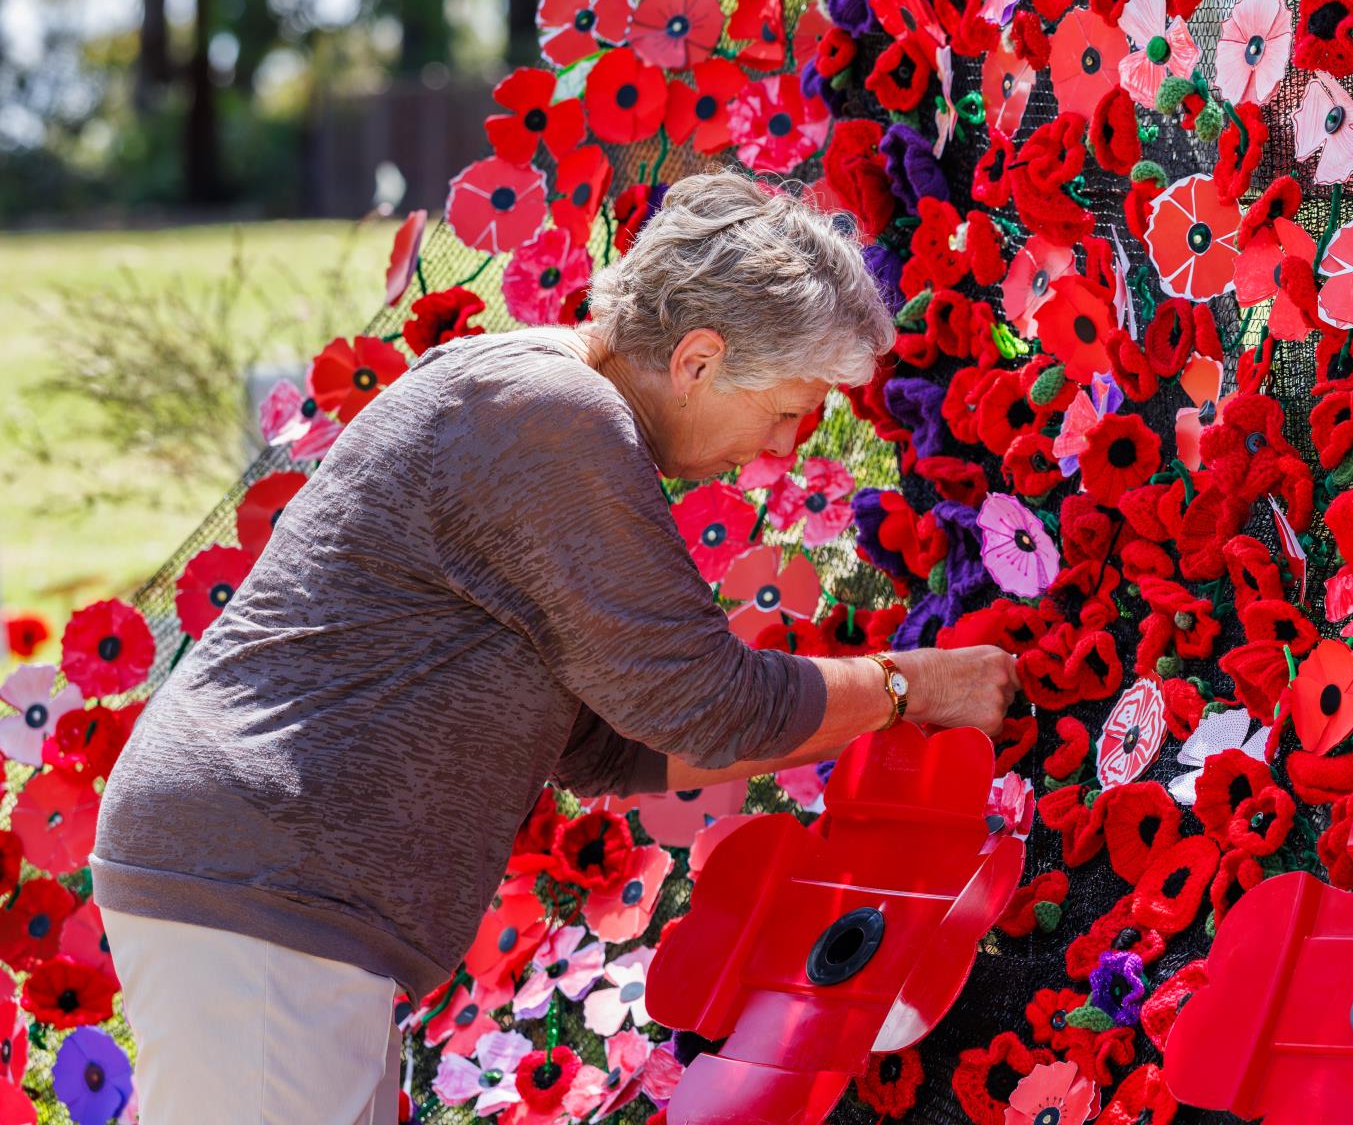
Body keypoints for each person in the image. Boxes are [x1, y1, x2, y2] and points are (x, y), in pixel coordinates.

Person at [90, 172, 1020, 1125]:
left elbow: (614, 744)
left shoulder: (540, 402)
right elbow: (706, 702)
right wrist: (909, 687)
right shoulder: (553, 418)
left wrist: (874, 718)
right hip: (269, 881)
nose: (783, 446)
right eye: (785, 409)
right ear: (698, 360)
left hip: (283, 891)